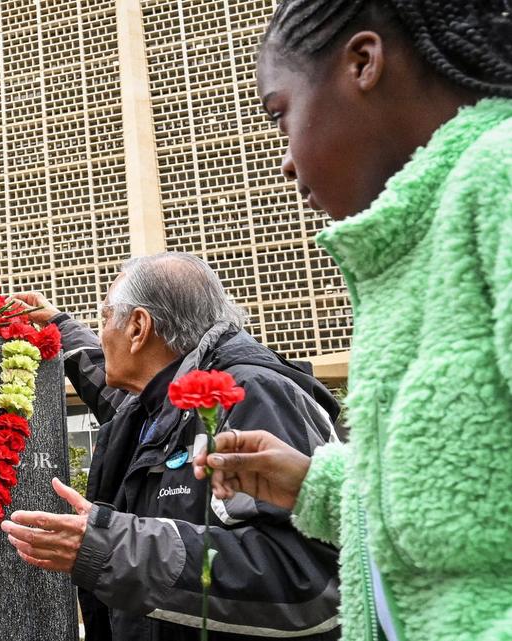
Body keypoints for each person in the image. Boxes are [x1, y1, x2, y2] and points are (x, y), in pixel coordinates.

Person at [193, 1, 512, 640]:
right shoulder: (405, 249)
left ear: (363, 64)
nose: (284, 161)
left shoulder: (497, 180)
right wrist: (322, 485)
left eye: (281, 117)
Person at [3, 252, 342, 640]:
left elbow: (308, 581)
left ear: (138, 327)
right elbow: (122, 398)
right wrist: (60, 327)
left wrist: (113, 547)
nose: (102, 334)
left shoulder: (248, 396)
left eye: (105, 319)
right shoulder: (160, 406)